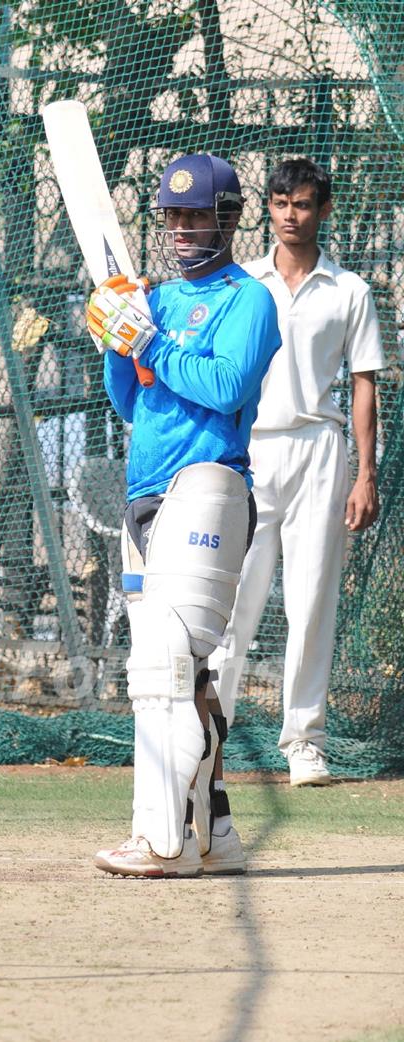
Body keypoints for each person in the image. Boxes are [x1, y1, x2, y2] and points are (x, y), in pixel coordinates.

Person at [85, 153, 281, 878]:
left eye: (198, 215)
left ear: (230, 218)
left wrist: (152, 343)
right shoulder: (160, 299)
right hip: (146, 497)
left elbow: (226, 385)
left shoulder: (248, 301)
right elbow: (133, 402)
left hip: (207, 488)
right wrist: (116, 335)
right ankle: (218, 833)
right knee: (186, 676)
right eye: (173, 217)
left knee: (166, 668)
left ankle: (162, 841)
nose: (183, 230)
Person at [208, 158, 385, 787]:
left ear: (322, 210)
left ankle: (304, 742)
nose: (291, 215)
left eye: (304, 204)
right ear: (269, 208)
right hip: (250, 451)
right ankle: (210, 736)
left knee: (313, 600)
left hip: (319, 448)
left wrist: (365, 475)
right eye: (281, 203)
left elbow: (364, 385)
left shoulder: (350, 291)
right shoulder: (242, 283)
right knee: (231, 600)